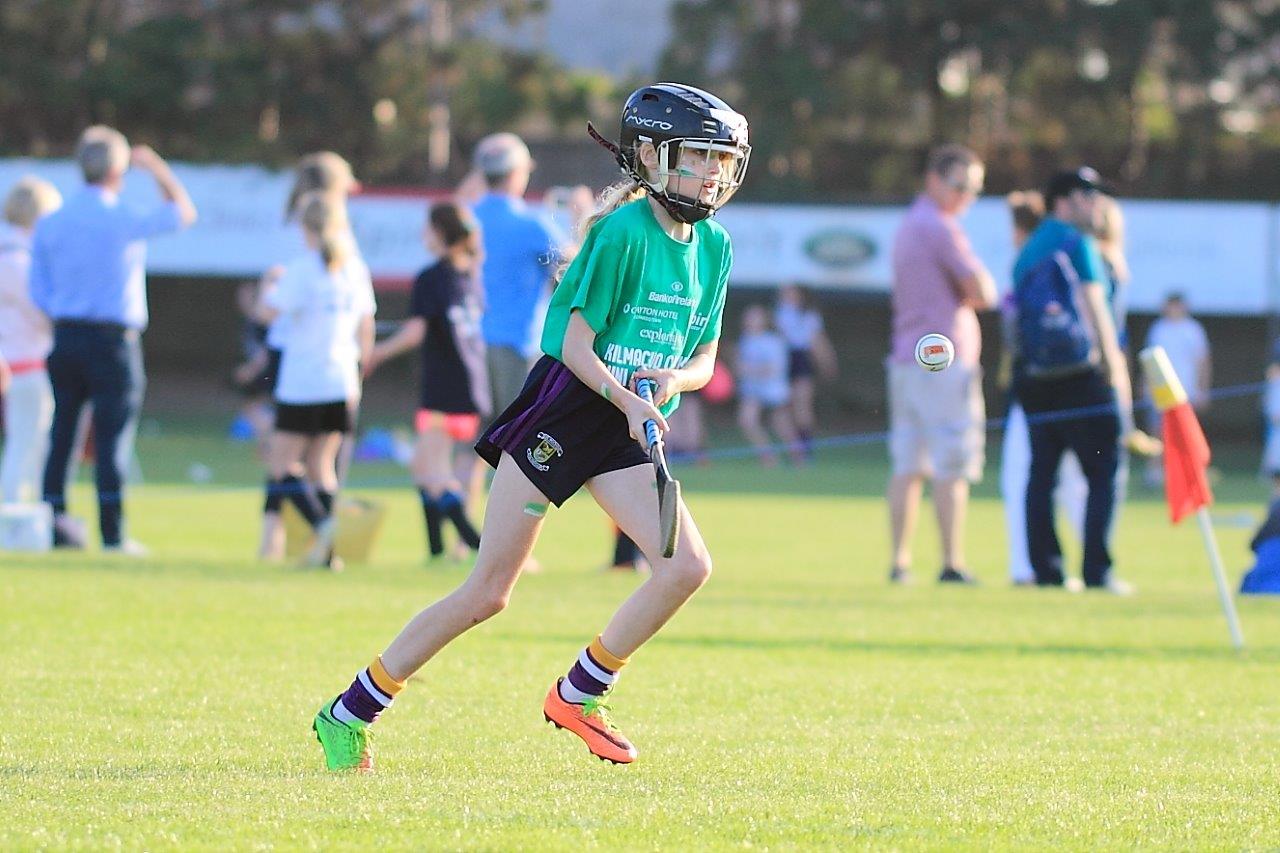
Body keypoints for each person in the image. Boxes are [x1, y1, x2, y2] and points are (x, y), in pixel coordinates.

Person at [312, 82, 750, 772]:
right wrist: (626, 396)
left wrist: (670, 384)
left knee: (686, 567)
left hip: (626, 427)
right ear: (651, 155)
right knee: (487, 592)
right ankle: (348, 712)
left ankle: (579, 691)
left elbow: (703, 357)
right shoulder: (622, 232)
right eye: (698, 157)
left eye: (722, 159)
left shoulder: (715, 247)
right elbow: (573, 345)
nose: (714, 173)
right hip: (567, 409)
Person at [31, 127, 196, 552]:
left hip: (66, 336)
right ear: (119, 170)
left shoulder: (52, 222)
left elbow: (39, 290)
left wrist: (62, 314)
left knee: (62, 435)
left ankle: (54, 525)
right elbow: (182, 212)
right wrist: (157, 167)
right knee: (111, 439)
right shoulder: (123, 216)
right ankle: (112, 533)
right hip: (112, 342)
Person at [1013, 166, 1134, 593]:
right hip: (1084, 377)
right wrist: (1116, 370)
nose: (1097, 204)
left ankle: (1048, 571)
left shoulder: (1030, 248)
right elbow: (1095, 306)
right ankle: (1097, 572)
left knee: (1042, 475)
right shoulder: (1076, 242)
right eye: (1088, 195)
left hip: (1036, 377)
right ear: (1064, 200)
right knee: (1103, 472)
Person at [887, 144, 996, 585]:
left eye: (974, 189)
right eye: (960, 186)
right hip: (943, 362)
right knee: (952, 463)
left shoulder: (911, 224)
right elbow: (982, 291)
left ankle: (900, 562)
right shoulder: (940, 227)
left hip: (906, 358)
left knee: (908, 465)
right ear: (934, 180)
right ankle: (952, 560)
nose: (966, 197)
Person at [363, 201, 489, 561]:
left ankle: (475, 544)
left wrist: (378, 353)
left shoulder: (432, 277)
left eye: (427, 227)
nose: (422, 234)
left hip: (443, 388)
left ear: (438, 232)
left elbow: (416, 332)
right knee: (429, 468)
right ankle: (436, 549)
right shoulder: (470, 277)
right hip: (471, 387)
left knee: (428, 470)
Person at [258, 192, 375, 569]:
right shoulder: (354, 268)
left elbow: (266, 311)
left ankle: (324, 528)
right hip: (341, 379)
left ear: (305, 228)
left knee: (281, 463)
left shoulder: (304, 269)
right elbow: (365, 327)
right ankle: (327, 554)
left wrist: (268, 284)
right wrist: (358, 371)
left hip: (303, 382)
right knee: (322, 465)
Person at [470, 133, 566, 416]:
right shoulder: (531, 224)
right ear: (515, 174)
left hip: (472, 343)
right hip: (517, 345)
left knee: (471, 446)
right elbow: (578, 265)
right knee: (517, 440)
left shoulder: (467, 217)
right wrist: (583, 214)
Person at [0, 176, 63, 504]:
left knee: (19, 440)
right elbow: (43, 315)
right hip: (28, 364)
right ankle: (18, 516)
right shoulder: (25, 263)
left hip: (8, 362)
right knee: (28, 446)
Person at [1143, 292, 1210, 485]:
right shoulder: (1159, 328)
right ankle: (1155, 472)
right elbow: (1149, 358)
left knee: (1186, 434)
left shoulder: (1193, 329)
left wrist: (1201, 389)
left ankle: (1191, 473)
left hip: (1185, 390)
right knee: (1157, 430)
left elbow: (1203, 361)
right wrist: (1145, 383)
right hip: (1160, 390)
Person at [775, 283, 835, 457]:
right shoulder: (777, 313)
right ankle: (793, 447)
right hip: (782, 359)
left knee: (802, 404)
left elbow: (817, 341)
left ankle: (806, 446)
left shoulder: (808, 315)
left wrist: (826, 362)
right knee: (784, 405)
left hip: (800, 359)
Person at [736, 304, 800, 466]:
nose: (750, 321)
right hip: (752, 390)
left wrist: (748, 369)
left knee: (782, 426)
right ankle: (768, 458)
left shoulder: (772, 341)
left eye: (755, 317)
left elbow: (774, 369)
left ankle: (799, 458)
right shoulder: (745, 340)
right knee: (747, 421)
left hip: (774, 391)